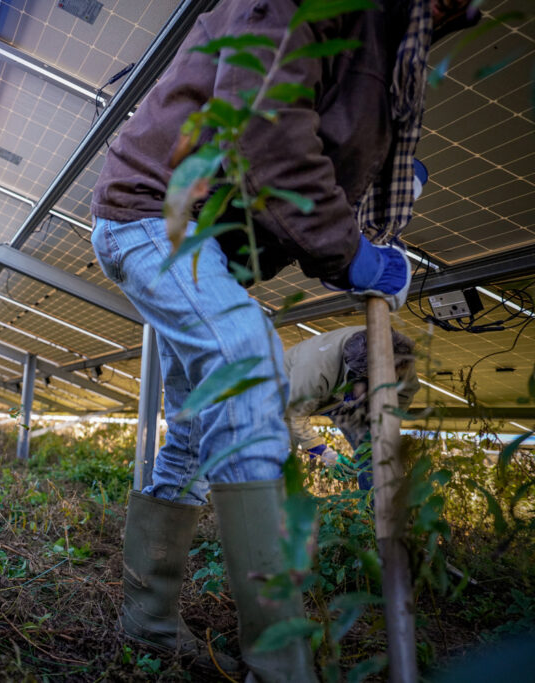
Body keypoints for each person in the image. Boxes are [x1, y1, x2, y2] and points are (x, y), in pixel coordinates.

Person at [90, 0, 478, 679]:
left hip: (214, 247)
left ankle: (146, 626)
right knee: (245, 356)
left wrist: (377, 185)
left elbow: (323, 146)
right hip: (155, 214)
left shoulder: (397, 46)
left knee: (192, 423)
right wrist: (348, 248)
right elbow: (268, 131)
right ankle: (282, 665)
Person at [285, 326, 420, 491]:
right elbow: (294, 415)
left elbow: (405, 392)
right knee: (281, 451)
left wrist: (386, 424)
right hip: (287, 392)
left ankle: (378, 508)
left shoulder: (398, 355)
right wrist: (322, 451)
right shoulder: (313, 370)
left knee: (375, 446)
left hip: (340, 394)